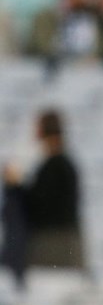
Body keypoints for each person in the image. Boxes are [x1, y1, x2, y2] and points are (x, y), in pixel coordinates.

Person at [1, 109, 85, 283]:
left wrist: (15, 187)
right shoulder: (62, 164)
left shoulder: (56, 166)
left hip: (53, 245)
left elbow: (39, 207)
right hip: (64, 243)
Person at [26, 0, 101, 70]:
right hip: (53, 71)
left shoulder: (91, 18)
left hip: (84, 72)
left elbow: (98, 49)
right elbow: (40, 46)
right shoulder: (46, 17)